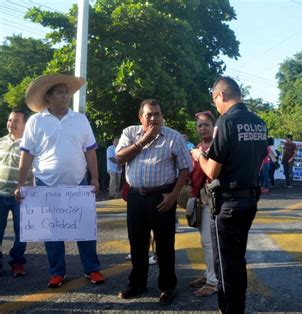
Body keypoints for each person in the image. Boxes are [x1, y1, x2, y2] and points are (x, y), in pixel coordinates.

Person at [15, 74, 104, 288]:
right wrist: (20, 184)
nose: (65, 95)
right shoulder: (36, 121)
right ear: (49, 96)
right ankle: (56, 272)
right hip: (46, 185)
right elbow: (26, 154)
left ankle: (92, 269)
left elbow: (90, 151)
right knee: (52, 232)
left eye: (67, 92)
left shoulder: (80, 119)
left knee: (84, 229)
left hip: (78, 183)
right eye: (60, 92)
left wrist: (95, 178)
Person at [190, 77, 267, 313]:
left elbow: (212, 170)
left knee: (225, 265)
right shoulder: (259, 122)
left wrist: (198, 155)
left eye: (215, 101)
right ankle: (237, 307)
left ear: (220, 95)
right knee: (237, 260)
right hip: (250, 199)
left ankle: (231, 310)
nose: (216, 107)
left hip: (229, 202)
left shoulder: (226, 122)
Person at [115, 99, 191, 305]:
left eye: (157, 114)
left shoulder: (173, 136)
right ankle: (137, 284)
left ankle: (167, 286)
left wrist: (174, 195)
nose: (154, 118)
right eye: (149, 114)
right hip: (136, 196)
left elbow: (185, 167)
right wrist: (145, 139)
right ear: (141, 117)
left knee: (165, 244)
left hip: (162, 197)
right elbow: (119, 158)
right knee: (137, 242)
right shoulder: (130, 133)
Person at [187, 111, 218, 297]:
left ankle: (213, 281)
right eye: (199, 125)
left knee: (209, 241)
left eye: (206, 124)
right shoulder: (199, 147)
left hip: (212, 199)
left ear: (213, 126)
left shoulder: (216, 147)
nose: (202, 128)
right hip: (199, 198)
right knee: (205, 240)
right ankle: (208, 274)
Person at [0, 109, 32, 277]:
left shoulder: (29, 144)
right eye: (10, 120)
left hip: (22, 197)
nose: (11, 124)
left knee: (22, 232)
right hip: (0, 194)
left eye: (16, 121)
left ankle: (17, 262)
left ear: (24, 124)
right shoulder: (1, 141)